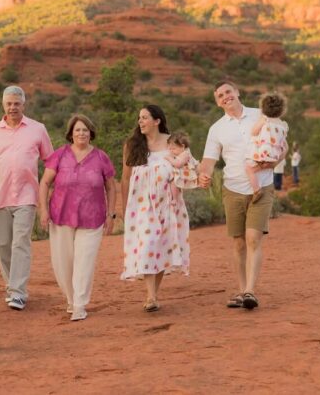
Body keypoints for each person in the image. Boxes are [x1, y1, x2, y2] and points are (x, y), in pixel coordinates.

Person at [198, 80, 276, 311]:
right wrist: (204, 176)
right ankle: (242, 291)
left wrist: (274, 162)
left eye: (228, 92)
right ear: (218, 102)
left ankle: (250, 290)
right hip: (232, 189)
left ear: (237, 92)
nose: (225, 97)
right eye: (220, 95)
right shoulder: (217, 129)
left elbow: (280, 145)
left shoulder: (261, 115)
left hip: (261, 187)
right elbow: (209, 161)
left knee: (253, 238)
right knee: (239, 243)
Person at [38, 114, 117, 321]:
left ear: (91, 133)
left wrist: (111, 214)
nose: (81, 133)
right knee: (63, 261)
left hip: (93, 217)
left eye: (85, 130)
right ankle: (71, 300)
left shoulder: (101, 157)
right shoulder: (60, 155)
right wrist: (43, 210)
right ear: (71, 134)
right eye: (77, 130)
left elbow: (111, 186)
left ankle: (80, 304)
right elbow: (45, 183)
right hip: (61, 214)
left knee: (85, 261)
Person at [0, 85, 53, 311]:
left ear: (24, 104)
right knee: (3, 244)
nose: (13, 107)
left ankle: (18, 292)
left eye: (17, 103)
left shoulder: (38, 129)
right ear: (3, 105)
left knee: (20, 242)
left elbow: (50, 162)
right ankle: (11, 285)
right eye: (9, 103)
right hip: (1, 195)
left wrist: (48, 197)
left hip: (27, 195)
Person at [120, 105, 190, 312]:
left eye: (144, 118)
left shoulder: (173, 144)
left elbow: (186, 171)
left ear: (157, 121)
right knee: (149, 245)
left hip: (169, 206)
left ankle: (153, 295)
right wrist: (125, 209)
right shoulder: (133, 145)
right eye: (139, 118)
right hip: (141, 206)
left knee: (162, 248)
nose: (140, 122)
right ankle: (150, 295)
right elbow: (125, 178)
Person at [245, 92, 289, 192]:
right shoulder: (283, 125)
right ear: (281, 111)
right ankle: (264, 170)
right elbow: (284, 144)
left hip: (261, 154)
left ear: (263, 109)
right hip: (274, 157)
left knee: (249, 169)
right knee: (261, 168)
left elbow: (254, 132)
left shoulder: (264, 120)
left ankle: (256, 189)